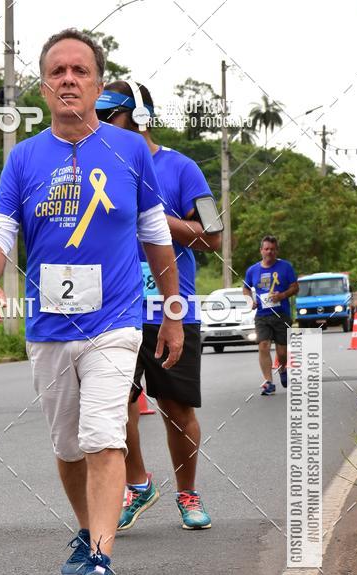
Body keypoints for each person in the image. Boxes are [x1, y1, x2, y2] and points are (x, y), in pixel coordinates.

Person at [0, 30, 183, 575]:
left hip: (115, 321)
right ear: (43, 86)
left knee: (102, 434)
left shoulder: (129, 150)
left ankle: (100, 558)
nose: (69, 79)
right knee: (67, 445)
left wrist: (171, 313)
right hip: (48, 326)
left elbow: (155, 234)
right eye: (58, 71)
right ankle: (86, 530)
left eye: (80, 71)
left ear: (96, 82)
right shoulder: (23, 158)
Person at [94, 81, 222, 532]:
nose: (103, 125)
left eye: (111, 116)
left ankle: (188, 493)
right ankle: (138, 483)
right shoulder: (97, 168)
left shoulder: (183, 168)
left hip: (172, 312)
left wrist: (153, 218)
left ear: (139, 117)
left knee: (176, 409)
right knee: (115, 406)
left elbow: (215, 235)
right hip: (114, 312)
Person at [243, 236, 299, 396]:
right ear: (261, 250)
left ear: (277, 251)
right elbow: (246, 288)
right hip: (262, 315)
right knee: (263, 346)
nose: (269, 252)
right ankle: (269, 382)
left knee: (282, 351)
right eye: (266, 249)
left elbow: (295, 287)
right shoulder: (252, 270)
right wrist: (249, 301)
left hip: (281, 314)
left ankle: (282, 369)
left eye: (272, 249)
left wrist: (282, 295)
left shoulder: (285, 267)